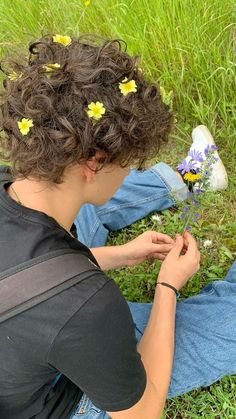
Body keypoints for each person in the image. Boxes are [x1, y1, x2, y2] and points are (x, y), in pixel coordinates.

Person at [0, 34, 235, 419]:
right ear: (95, 161)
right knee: (198, 330)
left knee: (74, 201)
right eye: (130, 163)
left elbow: (26, 275)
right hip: (54, 394)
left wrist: (124, 255)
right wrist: (168, 287)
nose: (128, 170)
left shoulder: (9, 182)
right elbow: (142, 413)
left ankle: (189, 177)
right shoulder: (88, 309)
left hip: (23, 343)